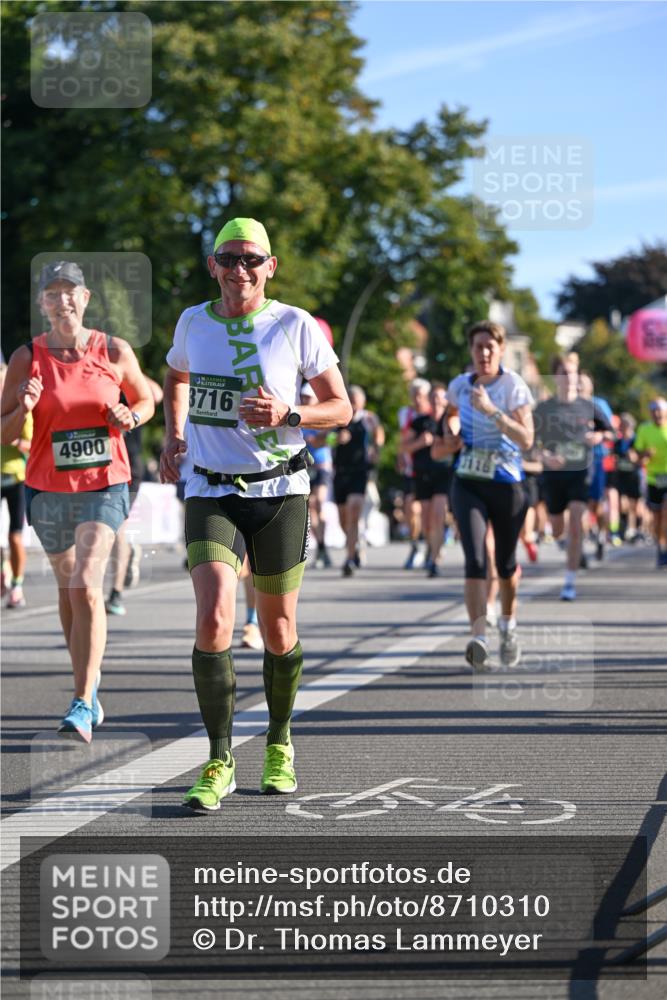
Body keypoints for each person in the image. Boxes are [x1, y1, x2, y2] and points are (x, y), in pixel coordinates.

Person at [159, 217, 350, 810]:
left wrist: (290, 415)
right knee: (215, 617)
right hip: (211, 490)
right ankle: (218, 760)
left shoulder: (294, 325)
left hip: (279, 491)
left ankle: (279, 742)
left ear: (271, 267)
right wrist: (172, 436)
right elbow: (176, 373)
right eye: (228, 258)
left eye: (251, 259)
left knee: (278, 631)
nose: (239, 269)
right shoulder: (193, 321)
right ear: (212, 265)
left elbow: (341, 408)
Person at [0, 261, 155, 741]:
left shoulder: (113, 349)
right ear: (42, 303)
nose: (62, 300)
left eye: (71, 292)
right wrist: (23, 408)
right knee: (70, 593)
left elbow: (147, 400)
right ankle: (88, 680)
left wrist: (129, 415)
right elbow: (2, 431)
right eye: (52, 293)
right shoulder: (27, 357)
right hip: (47, 488)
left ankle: (83, 701)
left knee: (87, 583)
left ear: (86, 299)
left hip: (105, 483)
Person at [434, 321, 534, 670]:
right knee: (475, 559)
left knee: (506, 565)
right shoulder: (460, 386)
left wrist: (493, 412)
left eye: (490, 347)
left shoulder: (513, 386)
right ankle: (478, 637)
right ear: (471, 351)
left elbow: (527, 439)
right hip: (469, 481)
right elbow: (448, 420)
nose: (484, 353)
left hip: (507, 484)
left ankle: (507, 626)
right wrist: (450, 434)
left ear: (501, 350)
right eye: (478, 347)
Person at [533, 354, 613, 601]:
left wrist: (598, 437)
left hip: (581, 472)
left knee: (576, 523)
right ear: (555, 376)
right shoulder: (544, 408)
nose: (570, 378)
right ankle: (564, 541)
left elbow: (609, 431)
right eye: (565, 373)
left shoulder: (588, 405)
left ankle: (569, 582)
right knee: (558, 529)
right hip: (554, 475)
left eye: (574, 373)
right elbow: (529, 444)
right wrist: (545, 457)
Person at [105, 377, 163, 616]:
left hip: (127, 464)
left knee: (117, 525)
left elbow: (157, 394)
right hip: (93, 464)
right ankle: (128, 549)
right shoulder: (89, 377)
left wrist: (132, 372)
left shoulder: (128, 378)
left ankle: (115, 592)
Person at [332, 385, 384, 578]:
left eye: (356, 399)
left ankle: (350, 558)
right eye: (350, 398)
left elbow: (379, 435)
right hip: (341, 473)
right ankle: (356, 543)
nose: (353, 402)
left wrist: (376, 449)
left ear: (362, 402)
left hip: (360, 472)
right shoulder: (339, 418)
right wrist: (336, 438)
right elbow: (323, 440)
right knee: (343, 520)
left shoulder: (368, 419)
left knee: (354, 513)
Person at [0, 361, 32, 608]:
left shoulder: (22, 407)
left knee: (14, 537)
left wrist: (8, 438)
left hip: (17, 478)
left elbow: (31, 444)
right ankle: (3, 576)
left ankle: (17, 586)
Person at [300, 381, 333, 569]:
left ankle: (323, 545)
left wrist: (318, 439)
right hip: (305, 467)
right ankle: (321, 546)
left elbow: (329, 439)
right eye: (303, 397)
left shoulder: (320, 416)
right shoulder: (298, 415)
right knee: (311, 508)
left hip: (321, 466)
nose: (305, 400)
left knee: (318, 502)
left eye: (308, 398)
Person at [399, 378, 431, 569]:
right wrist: (401, 456)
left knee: (425, 512)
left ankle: (429, 545)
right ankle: (415, 544)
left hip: (430, 469)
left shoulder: (433, 413)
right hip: (412, 469)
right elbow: (403, 440)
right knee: (410, 509)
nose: (417, 399)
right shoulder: (406, 414)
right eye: (414, 395)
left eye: (421, 395)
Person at [634, 397, 667, 567]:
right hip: (653, 478)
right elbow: (637, 456)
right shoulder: (644, 429)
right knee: (657, 518)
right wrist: (645, 456)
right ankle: (661, 548)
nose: (657, 414)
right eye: (654, 411)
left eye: (660, 410)